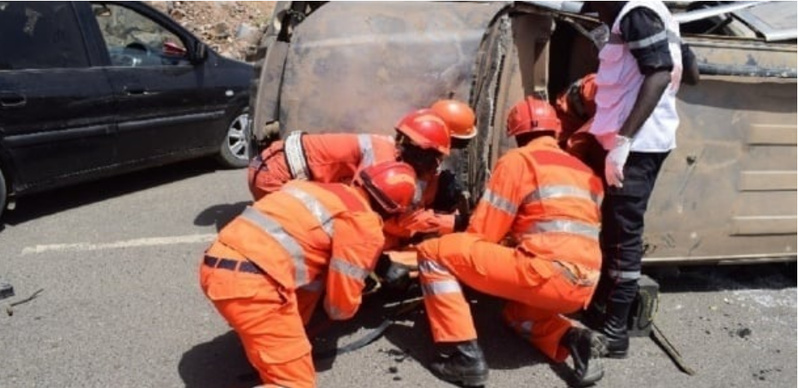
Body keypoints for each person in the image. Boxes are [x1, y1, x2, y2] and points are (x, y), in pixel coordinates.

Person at [413, 96, 606, 387]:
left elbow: (482, 234)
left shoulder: (520, 160)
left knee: (433, 253)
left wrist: (443, 231)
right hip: (584, 286)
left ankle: (464, 357)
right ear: (555, 130)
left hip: (545, 273)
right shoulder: (586, 172)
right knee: (518, 314)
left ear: (516, 135)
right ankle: (574, 338)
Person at [200, 161, 417, 388]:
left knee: (312, 282)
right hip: (251, 287)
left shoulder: (318, 188)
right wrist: (360, 292)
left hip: (216, 263)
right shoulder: (363, 224)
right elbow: (339, 308)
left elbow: (309, 263)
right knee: (295, 384)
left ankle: (278, 340)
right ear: (392, 209)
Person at [584, 1, 684, 359]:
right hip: (644, 144)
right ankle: (603, 310)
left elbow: (659, 73)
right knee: (615, 229)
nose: (597, 14)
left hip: (636, 148)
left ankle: (616, 333)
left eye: (596, 5)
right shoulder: (660, 14)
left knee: (623, 236)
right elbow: (690, 71)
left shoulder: (637, 14)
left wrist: (623, 141)